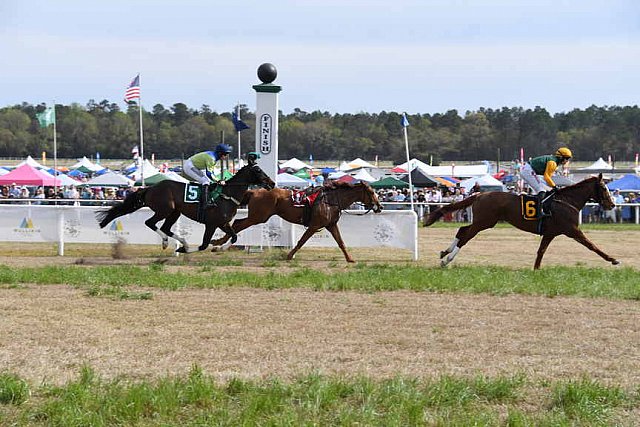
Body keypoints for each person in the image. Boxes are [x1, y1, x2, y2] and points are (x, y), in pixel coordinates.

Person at [182, 143, 233, 221]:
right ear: (220, 153)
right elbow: (209, 173)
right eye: (225, 154)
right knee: (205, 181)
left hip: (195, 165)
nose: (226, 156)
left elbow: (211, 172)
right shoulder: (211, 158)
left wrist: (216, 180)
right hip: (190, 166)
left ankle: (207, 198)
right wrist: (218, 181)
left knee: (208, 180)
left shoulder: (214, 157)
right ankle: (205, 203)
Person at [520, 147, 572, 216]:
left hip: (529, 170)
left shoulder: (554, 161)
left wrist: (552, 187)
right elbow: (547, 177)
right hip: (528, 170)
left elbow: (548, 178)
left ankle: (544, 207)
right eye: (567, 158)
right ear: (561, 157)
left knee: (548, 189)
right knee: (541, 189)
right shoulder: (553, 163)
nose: (567, 161)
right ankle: (539, 211)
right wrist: (554, 186)